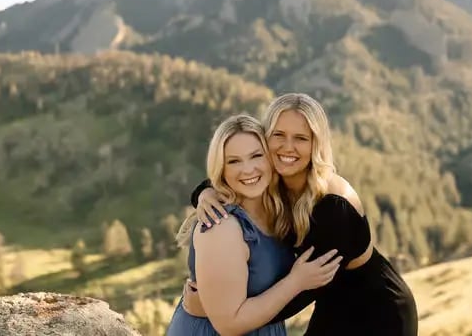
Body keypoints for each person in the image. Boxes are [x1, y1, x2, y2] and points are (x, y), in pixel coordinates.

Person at [184, 93, 418, 335]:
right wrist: (205, 193)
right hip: (331, 301)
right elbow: (232, 175)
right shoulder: (275, 181)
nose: (288, 147)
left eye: (301, 138)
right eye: (279, 135)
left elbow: (303, 289)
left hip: (378, 311)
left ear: (315, 144)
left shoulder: (334, 206)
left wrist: (219, 311)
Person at [167, 114, 343, 336]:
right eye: (233, 161)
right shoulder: (221, 226)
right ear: (221, 169)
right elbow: (229, 325)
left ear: (270, 158)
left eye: (256, 156)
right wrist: (297, 281)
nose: (248, 169)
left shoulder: (279, 210)